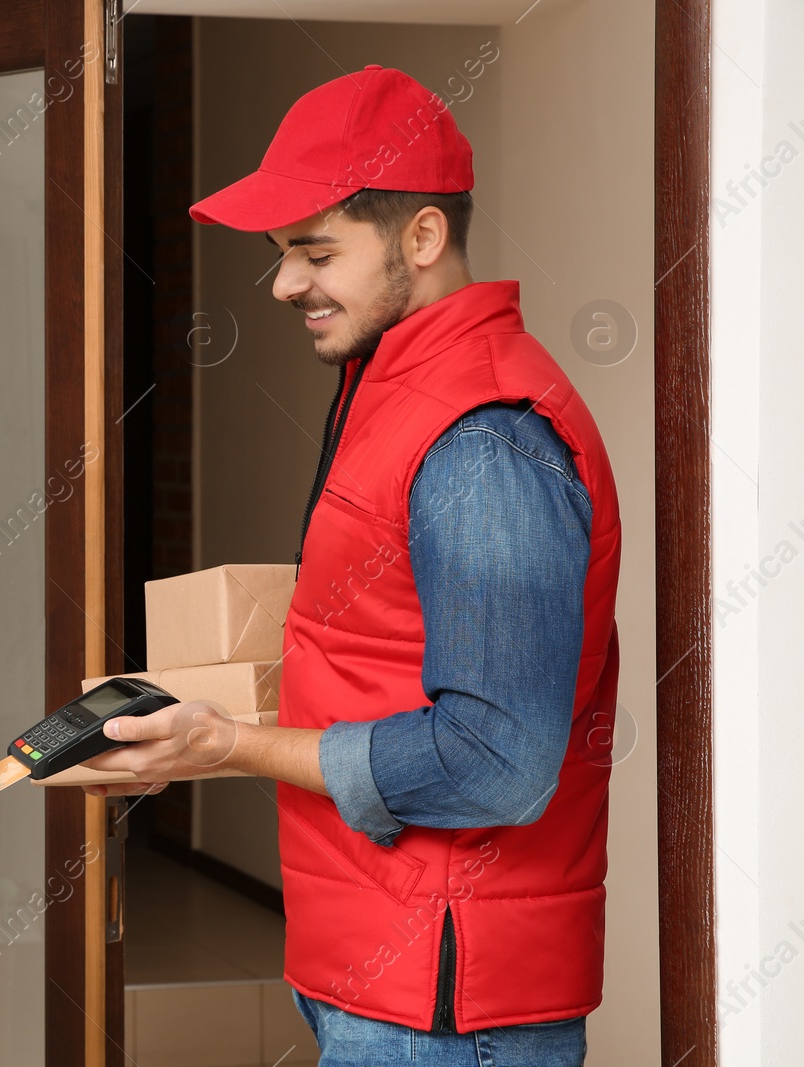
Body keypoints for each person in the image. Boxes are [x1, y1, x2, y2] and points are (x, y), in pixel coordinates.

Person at [84, 66, 620, 1066]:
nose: (284, 282)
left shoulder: (483, 438)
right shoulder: (394, 383)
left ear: (421, 237)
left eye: (313, 250)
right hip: (377, 964)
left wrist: (227, 743)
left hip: (442, 1002)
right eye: (284, 251)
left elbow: (492, 760)